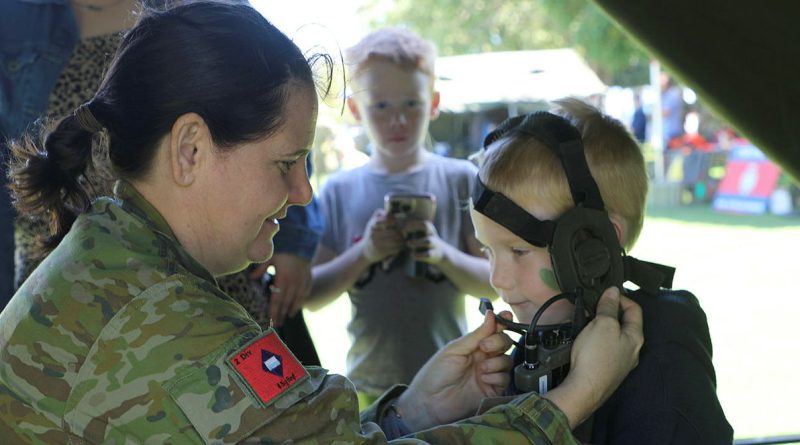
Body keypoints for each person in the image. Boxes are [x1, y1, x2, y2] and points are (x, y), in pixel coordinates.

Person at [0, 3, 645, 443]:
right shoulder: (157, 313)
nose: (304, 192)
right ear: (191, 150)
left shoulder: (121, 259)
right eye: (285, 162)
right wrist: (569, 402)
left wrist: (411, 413)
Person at [0, 0, 323, 365]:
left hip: (211, 270)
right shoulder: (15, 18)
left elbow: (276, 120)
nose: (303, 193)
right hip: (73, 271)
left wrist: (291, 236)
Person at [471, 98, 733, 444]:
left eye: (519, 251)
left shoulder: (663, 367)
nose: (497, 279)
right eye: (487, 251)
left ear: (597, 244)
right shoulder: (538, 344)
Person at [308, 28, 497, 402]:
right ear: (356, 109)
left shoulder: (461, 179)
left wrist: (441, 253)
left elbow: (494, 282)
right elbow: (312, 294)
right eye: (381, 106)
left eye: (411, 103)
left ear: (434, 102)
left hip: (452, 386)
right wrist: (366, 252)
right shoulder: (338, 191)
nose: (398, 120)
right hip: (366, 390)